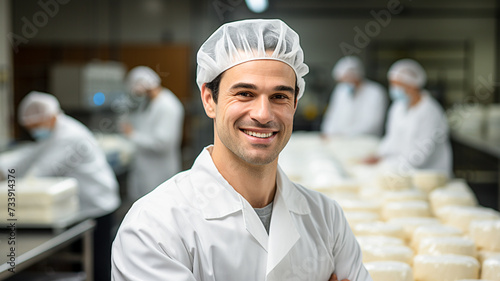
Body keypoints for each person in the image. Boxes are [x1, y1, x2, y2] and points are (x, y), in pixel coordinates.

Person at [111, 19, 370, 281]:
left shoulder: (327, 217)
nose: (263, 114)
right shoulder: (153, 229)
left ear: (294, 104)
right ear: (209, 100)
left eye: (280, 96)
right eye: (245, 93)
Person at [0, 91, 121, 281]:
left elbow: (41, 174)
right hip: (82, 206)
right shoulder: (55, 131)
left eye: (37, 125)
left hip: (96, 205)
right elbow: (33, 153)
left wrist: (11, 183)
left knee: (98, 266)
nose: (35, 131)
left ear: (51, 116)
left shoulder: (69, 136)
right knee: (84, 262)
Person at [364, 59, 452, 176]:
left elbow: (419, 156)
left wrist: (389, 164)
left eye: (397, 85)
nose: (394, 89)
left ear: (412, 86)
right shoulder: (398, 107)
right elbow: (392, 138)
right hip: (402, 169)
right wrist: (379, 155)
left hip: (428, 174)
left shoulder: (430, 112)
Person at [121, 66, 184, 201]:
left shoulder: (167, 106)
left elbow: (162, 144)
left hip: (158, 172)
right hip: (145, 169)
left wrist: (133, 135)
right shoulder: (151, 103)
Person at [321, 56, 387, 137]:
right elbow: (332, 115)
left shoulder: (376, 92)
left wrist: (345, 134)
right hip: (339, 139)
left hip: (364, 140)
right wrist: (328, 132)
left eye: (346, 79)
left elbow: (373, 123)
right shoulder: (341, 90)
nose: (344, 83)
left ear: (355, 75)